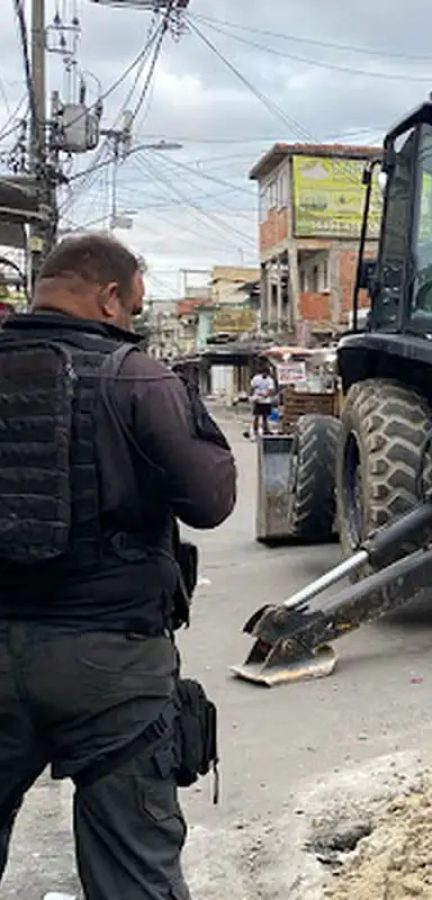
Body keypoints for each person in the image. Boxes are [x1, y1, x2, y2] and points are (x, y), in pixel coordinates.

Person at [0, 234, 237, 899]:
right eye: (133, 307)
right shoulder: (136, 377)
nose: (131, 321)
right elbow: (212, 501)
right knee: (135, 871)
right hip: (111, 665)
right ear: (108, 298)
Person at [249, 365, 276, 438]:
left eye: (267, 374)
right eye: (264, 373)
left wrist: (265, 395)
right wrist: (251, 397)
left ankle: (266, 430)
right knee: (256, 416)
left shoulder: (270, 380)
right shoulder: (256, 379)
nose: (265, 375)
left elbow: (270, 390)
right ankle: (255, 430)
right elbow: (252, 388)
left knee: (265, 417)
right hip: (257, 400)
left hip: (266, 401)